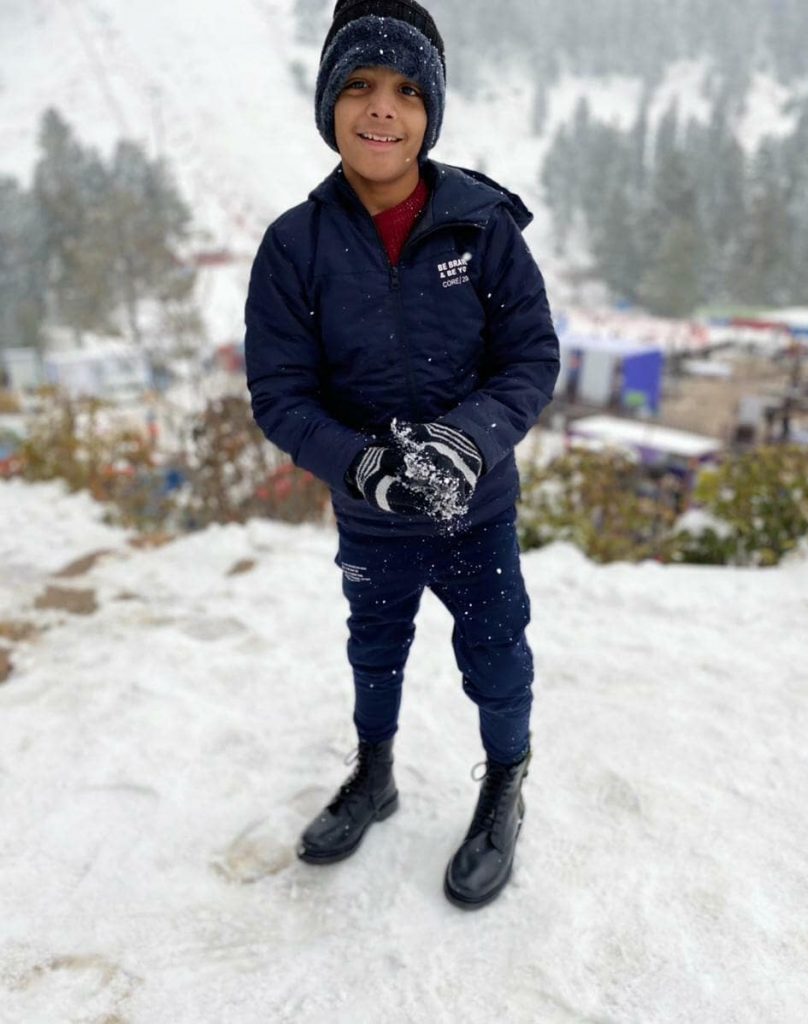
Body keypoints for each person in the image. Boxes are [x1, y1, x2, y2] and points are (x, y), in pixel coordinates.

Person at [244, 0, 560, 910]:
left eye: (406, 91)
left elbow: (530, 359)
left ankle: (504, 789)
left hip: (478, 504)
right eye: (358, 85)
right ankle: (374, 774)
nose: (382, 108)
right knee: (373, 647)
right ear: (328, 105)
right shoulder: (293, 246)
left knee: (497, 652)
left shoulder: (482, 225)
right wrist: (365, 467)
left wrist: (467, 441)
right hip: (370, 511)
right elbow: (282, 395)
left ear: (431, 113)